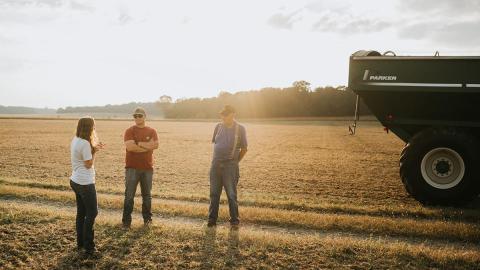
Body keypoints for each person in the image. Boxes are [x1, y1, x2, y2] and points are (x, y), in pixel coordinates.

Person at [208, 105, 248, 227]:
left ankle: (234, 221)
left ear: (233, 114)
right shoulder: (218, 126)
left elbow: (244, 149)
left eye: (226, 114)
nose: (223, 117)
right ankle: (212, 220)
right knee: (214, 194)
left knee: (231, 194)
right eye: (222, 114)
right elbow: (216, 143)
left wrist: (235, 162)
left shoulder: (240, 129)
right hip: (215, 164)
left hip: (230, 166)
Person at [70, 116, 105, 256]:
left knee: (81, 213)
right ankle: (89, 246)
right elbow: (88, 163)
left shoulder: (75, 140)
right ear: (90, 127)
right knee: (92, 213)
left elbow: (83, 158)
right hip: (85, 183)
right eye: (93, 126)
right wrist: (94, 151)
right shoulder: (84, 143)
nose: (94, 128)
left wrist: (93, 149)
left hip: (75, 180)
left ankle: (80, 243)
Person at [122, 107, 159, 228]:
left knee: (147, 196)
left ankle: (147, 220)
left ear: (145, 116)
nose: (137, 118)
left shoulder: (152, 130)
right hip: (132, 168)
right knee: (129, 196)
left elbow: (156, 145)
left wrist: (138, 143)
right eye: (135, 116)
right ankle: (126, 222)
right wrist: (147, 146)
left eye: (140, 115)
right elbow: (130, 147)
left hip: (148, 168)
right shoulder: (129, 131)